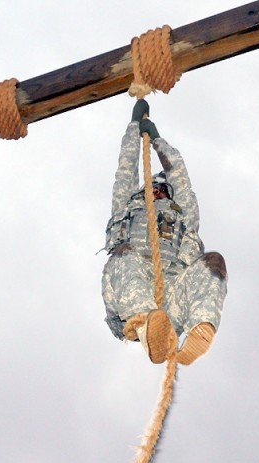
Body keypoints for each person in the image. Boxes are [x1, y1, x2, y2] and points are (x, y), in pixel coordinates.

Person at [102, 99, 227, 365]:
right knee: (125, 253)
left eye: (162, 189)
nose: (157, 191)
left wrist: (158, 140)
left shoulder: (183, 215)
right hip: (130, 297)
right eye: (152, 188)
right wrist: (134, 126)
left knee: (213, 263)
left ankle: (199, 330)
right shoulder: (126, 205)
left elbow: (178, 174)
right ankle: (146, 324)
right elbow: (126, 167)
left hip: (170, 296)